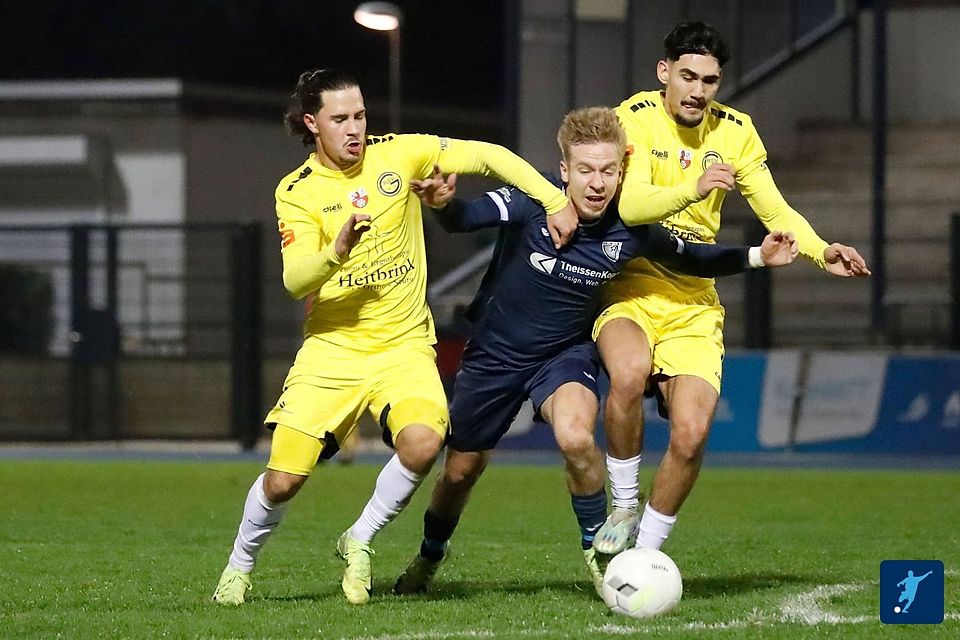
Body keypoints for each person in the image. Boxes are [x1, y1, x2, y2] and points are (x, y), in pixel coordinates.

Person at [391, 106, 798, 597]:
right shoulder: (533, 197)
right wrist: (442, 205)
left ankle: (599, 556)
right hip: (496, 355)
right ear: (565, 171)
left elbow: (689, 257)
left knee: (576, 437)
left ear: (622, 171)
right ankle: (430, 555)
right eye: (585, 170)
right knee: (460, 472)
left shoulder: (629, 223)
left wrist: (757, 255)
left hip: (564, 354)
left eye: (608, 170)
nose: (597, 183)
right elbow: (467, 218)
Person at [211, 68, 577, 606]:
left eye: (360, 115)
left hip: (404, 347)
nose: (354, 128)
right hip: (333, 350)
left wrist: (554, 200)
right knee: (284, 480)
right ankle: (239, 566)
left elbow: (489, 156)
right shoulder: (297, 190)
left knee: (424, 442)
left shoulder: (399, 154)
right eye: (340, 119)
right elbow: (294, 281)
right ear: (312, 123)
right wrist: (335, 251)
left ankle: (359, 538)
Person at [542, 22, 871, 555]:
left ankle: (645, 554)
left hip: (694, 299)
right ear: (664, 72)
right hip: (632, 284)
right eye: (688, 76)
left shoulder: (736, 132)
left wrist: (820, 249)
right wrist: (692, 188)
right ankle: (623, 504)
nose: (697, 90)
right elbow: (632, 205)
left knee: (692, 435)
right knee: (627, 372)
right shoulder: (634, 118)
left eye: (710, 81)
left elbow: (775, 209)